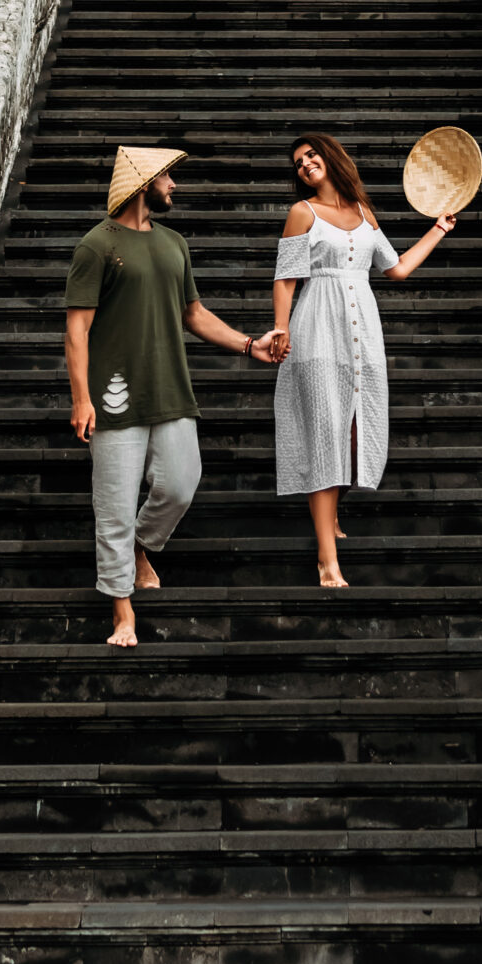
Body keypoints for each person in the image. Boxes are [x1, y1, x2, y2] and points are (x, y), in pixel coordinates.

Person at [64, 143, 285, 646]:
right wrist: (81, 398)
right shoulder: (96, 246)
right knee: (115, 506)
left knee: (181, 483)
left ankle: (141, 547)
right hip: (115, 399)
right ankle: (123, 612)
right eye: (168, 178)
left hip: (170, 389)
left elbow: (194, 314)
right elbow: (77, 330)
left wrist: (250, 345)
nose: (174, 186)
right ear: (146, 183)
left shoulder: (174, 243)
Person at [271, 132, 456, 587]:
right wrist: (281, 328)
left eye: (311, 155)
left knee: (354, 427)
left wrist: (438, 228)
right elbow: (285, 278)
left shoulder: (364, 214)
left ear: (331, 158)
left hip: (362, 335)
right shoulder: (302, 213)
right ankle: (327, 560)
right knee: (324, 431)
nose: (305, 165)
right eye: (298, 163)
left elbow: (396, 269)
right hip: (317, 328)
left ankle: (331, 513)